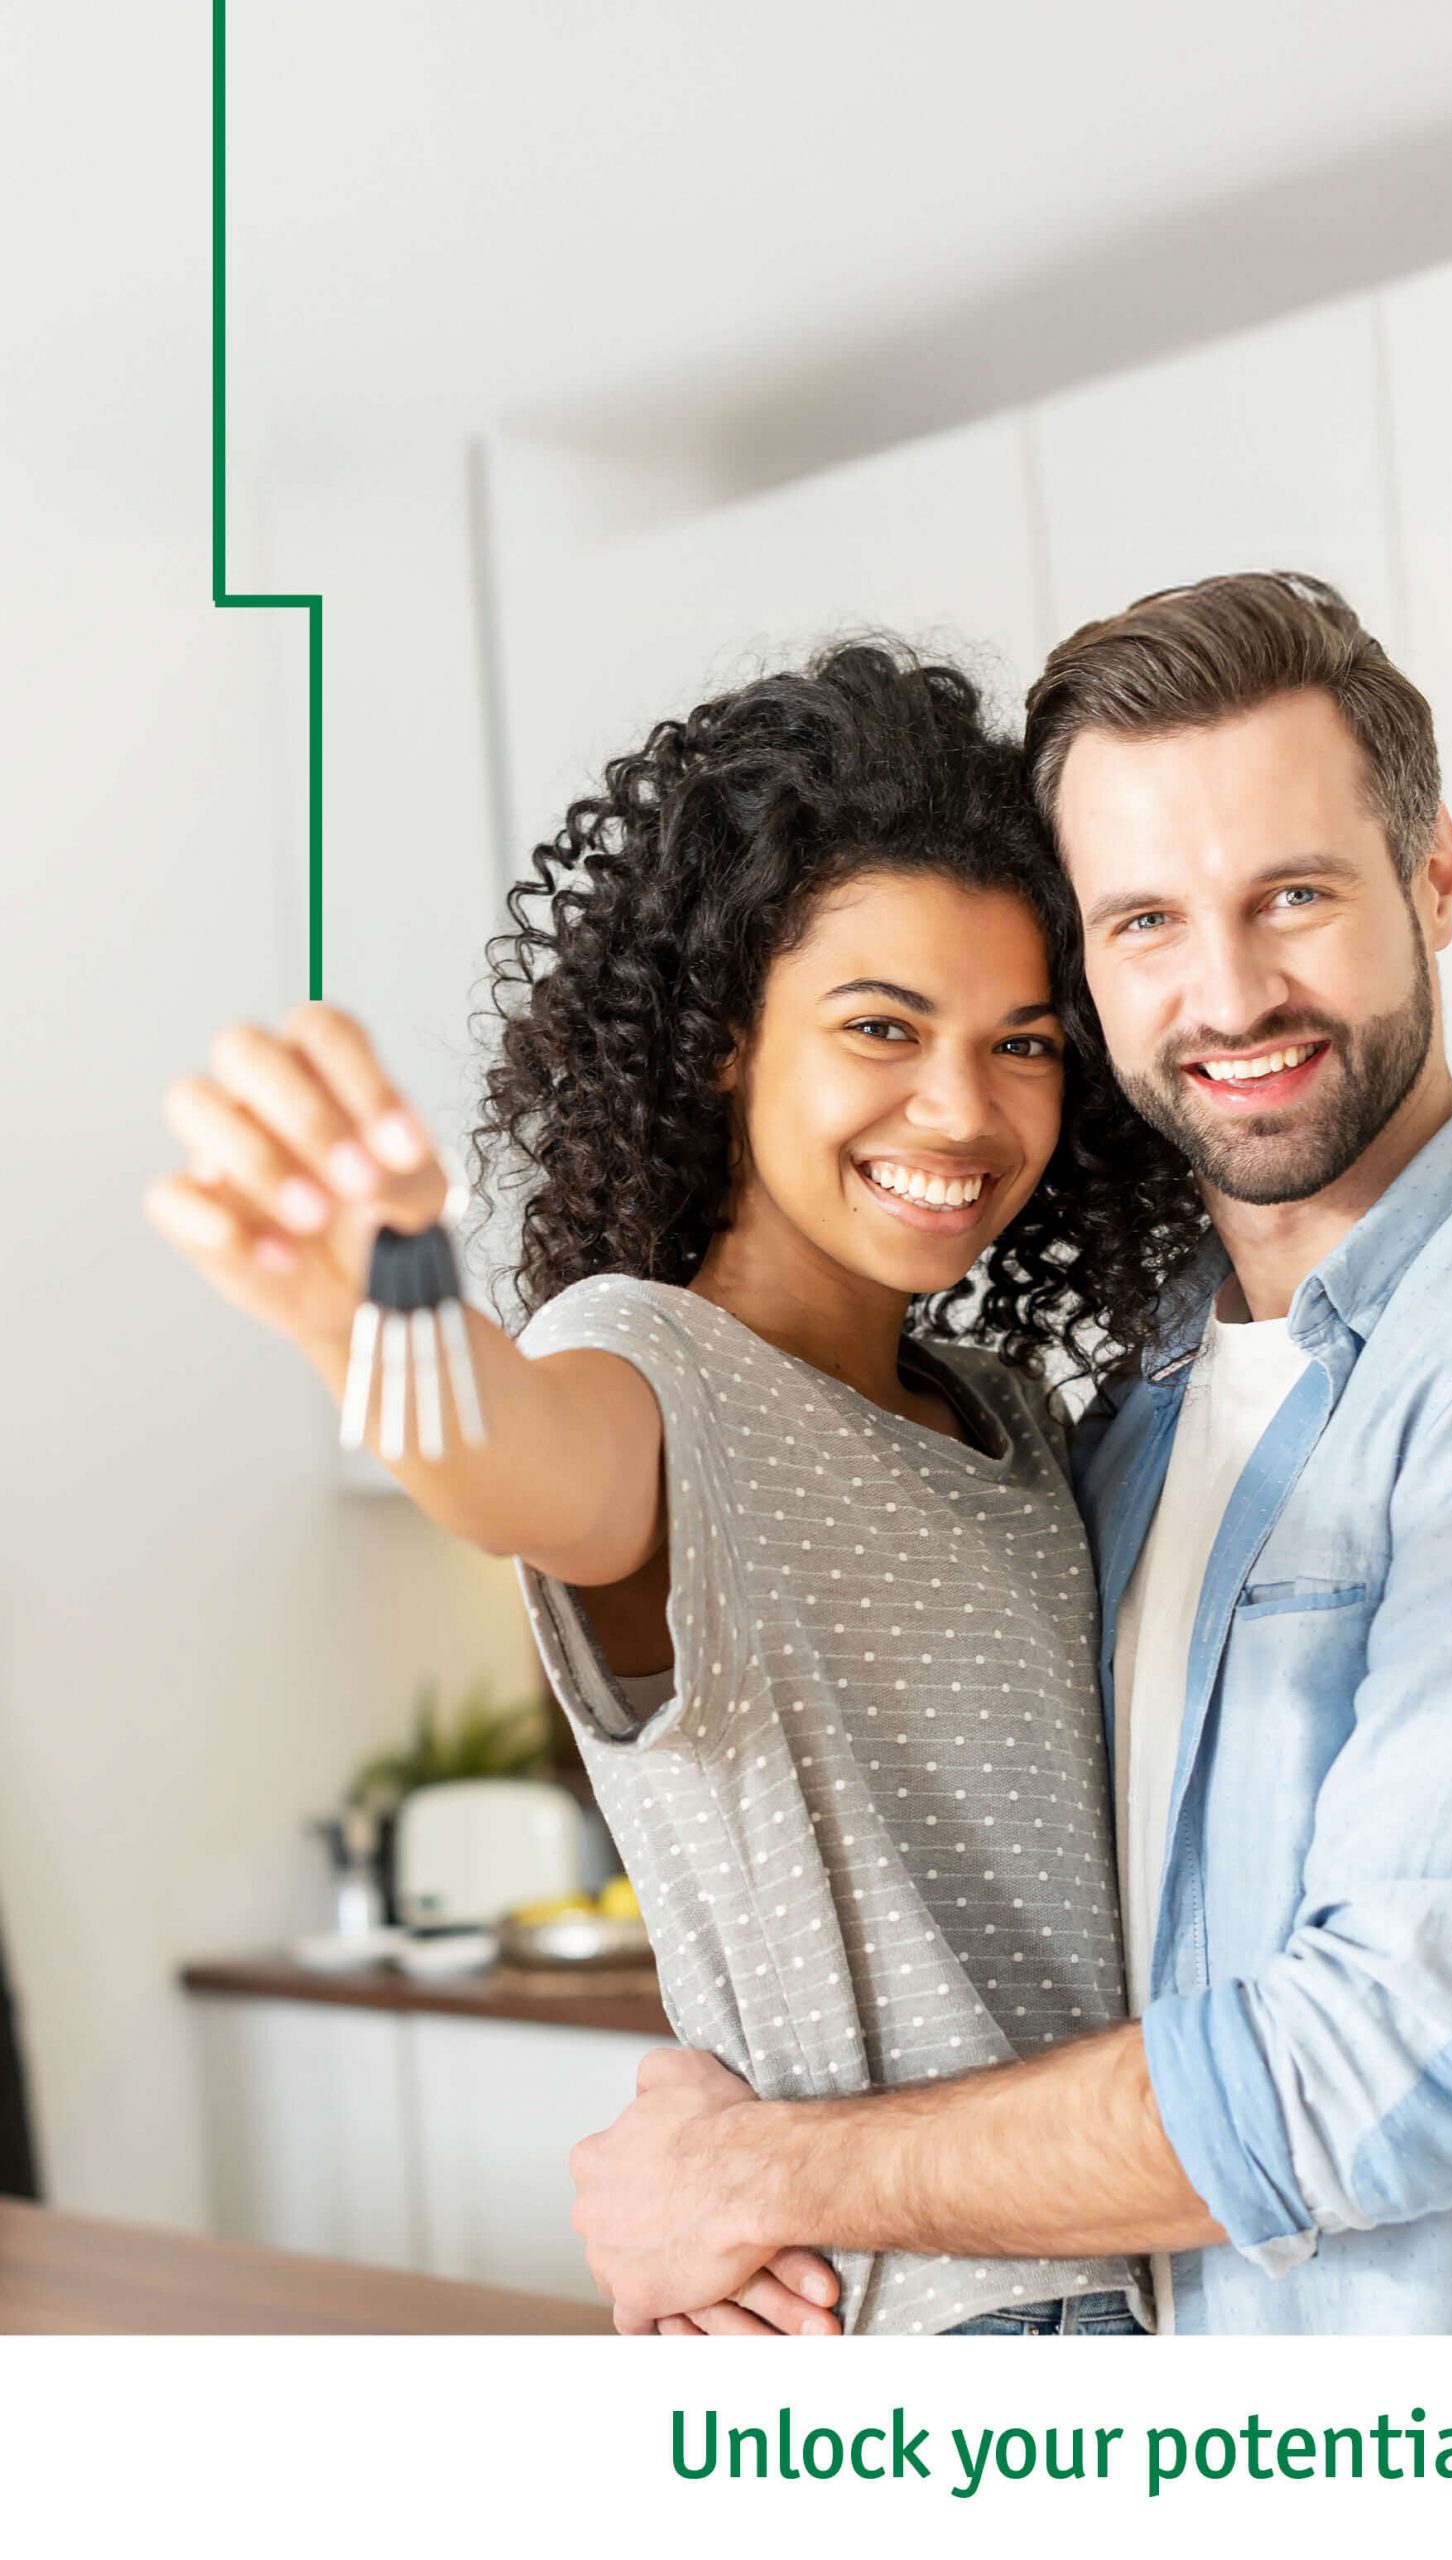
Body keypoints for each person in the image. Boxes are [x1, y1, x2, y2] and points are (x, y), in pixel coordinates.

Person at [568, 573, 1452, 2337]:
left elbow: (1375, 2073)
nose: (1228, 993)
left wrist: (770, 2174)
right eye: (1145, 921)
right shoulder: (1134, 1417)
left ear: (1438, 879)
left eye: (1294, 897)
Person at [144, 641, 1209, 2337]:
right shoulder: (654, 1372)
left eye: (1022, 1042)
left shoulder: (1010, 1421)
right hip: (909, 2339)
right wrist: (382, 1309)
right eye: (883, 1025)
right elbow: (511, 1461)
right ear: (722, 1041)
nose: (964, 1106)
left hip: (1151, 2286)